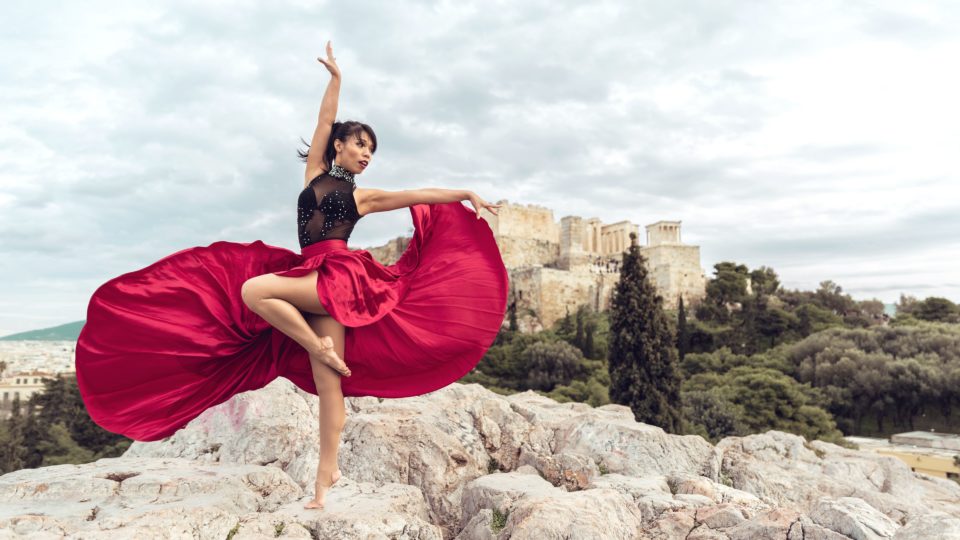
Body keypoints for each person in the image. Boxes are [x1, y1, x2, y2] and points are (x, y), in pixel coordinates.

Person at [74, 41, 509, 511]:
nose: (366, 154)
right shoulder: (315, 175)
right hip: (312, 274)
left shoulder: (364, 197)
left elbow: (417, 193)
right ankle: (324, 479)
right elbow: (323, 122)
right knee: (327, 383)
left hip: (339, 278)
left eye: (372, 150)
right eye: (360, 144)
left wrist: (464, 191)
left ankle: (318, 395)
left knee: (256, 292)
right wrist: (336, 81)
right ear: (338, 146)